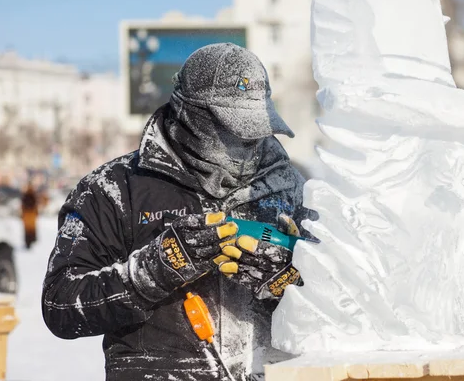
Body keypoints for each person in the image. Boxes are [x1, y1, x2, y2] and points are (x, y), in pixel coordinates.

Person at [42, 43, 316, 381]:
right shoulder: (113, 189)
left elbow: (342, 311)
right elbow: (60, 305)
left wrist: (288, 279)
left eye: (257, 130)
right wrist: (156, 268)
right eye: (235, 130)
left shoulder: (291, 188)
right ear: (190, 114)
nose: (249, 145)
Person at [21, 182, 38, 249]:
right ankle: (30, 241)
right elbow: (35, 206)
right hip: (30, 215)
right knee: (30, 229)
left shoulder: (26, 195)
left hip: (28, 215)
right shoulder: (32, 195)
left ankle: (28, 242)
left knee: (28, 229)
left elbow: (22, 206)